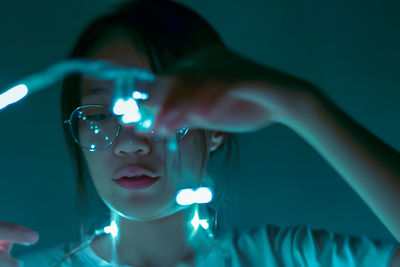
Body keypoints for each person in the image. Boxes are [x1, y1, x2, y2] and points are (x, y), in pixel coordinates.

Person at [1, 0, 400, 266]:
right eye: (100, 115)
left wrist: (299, 103)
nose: (129, 141)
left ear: (217, 128)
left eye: (156, 106)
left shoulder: (292, 258)